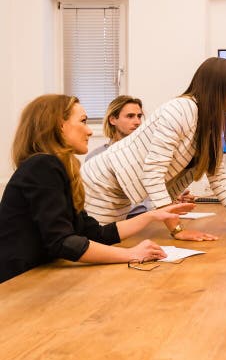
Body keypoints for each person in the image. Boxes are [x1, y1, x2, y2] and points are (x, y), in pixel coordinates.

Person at [81, 57, 226, 241]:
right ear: (217, 86)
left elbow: (219, 179)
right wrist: (177, 230)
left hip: (120, 192)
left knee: (104, 245)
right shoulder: (180, 110)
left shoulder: (208, 122)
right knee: (92, 245)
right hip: (101, 185)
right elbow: (153, 174)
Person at [0, 95, 192, 283]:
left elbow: (94, 233)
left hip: (39, 275)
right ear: (59, 125)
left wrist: (152, 216)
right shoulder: (42, 166)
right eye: (83, 122)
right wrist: (131, 253)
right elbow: (63, 242)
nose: (90, 131)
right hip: (17, 281)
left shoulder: (59, 168)